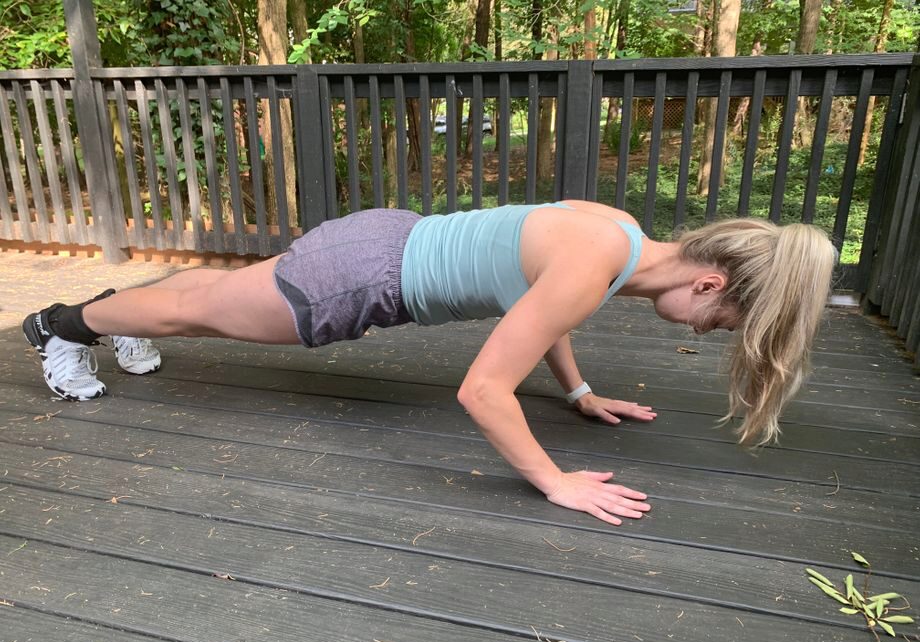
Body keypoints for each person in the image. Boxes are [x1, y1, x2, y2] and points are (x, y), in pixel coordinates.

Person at [22, 200, 836, 525]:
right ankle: (61, 325)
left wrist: (580, 391)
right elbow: (482, 390)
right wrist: (557, 482)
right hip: (364, 276)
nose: (707, 332)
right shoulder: (600, 265)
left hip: (387, 242)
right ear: (709, 280)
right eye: (724, 319)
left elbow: (540, 308)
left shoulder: (617, 238)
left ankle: (108, 316)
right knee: (202, 313)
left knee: (212, 304)